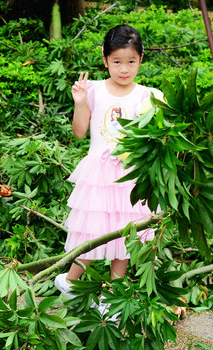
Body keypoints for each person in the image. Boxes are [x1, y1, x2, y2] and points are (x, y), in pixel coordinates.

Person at [55, 24, 162, 299]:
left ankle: (114, 293)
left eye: (131, 62)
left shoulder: (147, 95)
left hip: (131, 175)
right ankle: (70, 281)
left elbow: (155, 136)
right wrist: (80, 102)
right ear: (105, 59)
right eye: (116, 62)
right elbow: (79, 131)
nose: (124, 69)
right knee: (92, 231)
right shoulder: (93, 90)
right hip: (99, 174)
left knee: (126, 234)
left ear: (141, 60)